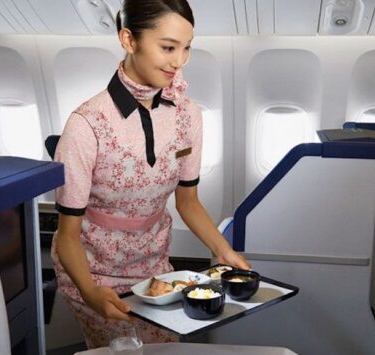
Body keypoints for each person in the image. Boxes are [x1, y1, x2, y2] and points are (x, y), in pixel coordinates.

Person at [51, 0, 249, 348]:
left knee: (165, 347)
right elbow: (67, 235)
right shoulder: (87, 124)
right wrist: (90, 291)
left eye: (187, 48)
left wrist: (224, 250)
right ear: (129, 40)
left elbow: (187, 201)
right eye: (168, 47)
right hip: (92, 270)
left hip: (154, 265)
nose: (180, 61)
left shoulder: (188, 115)